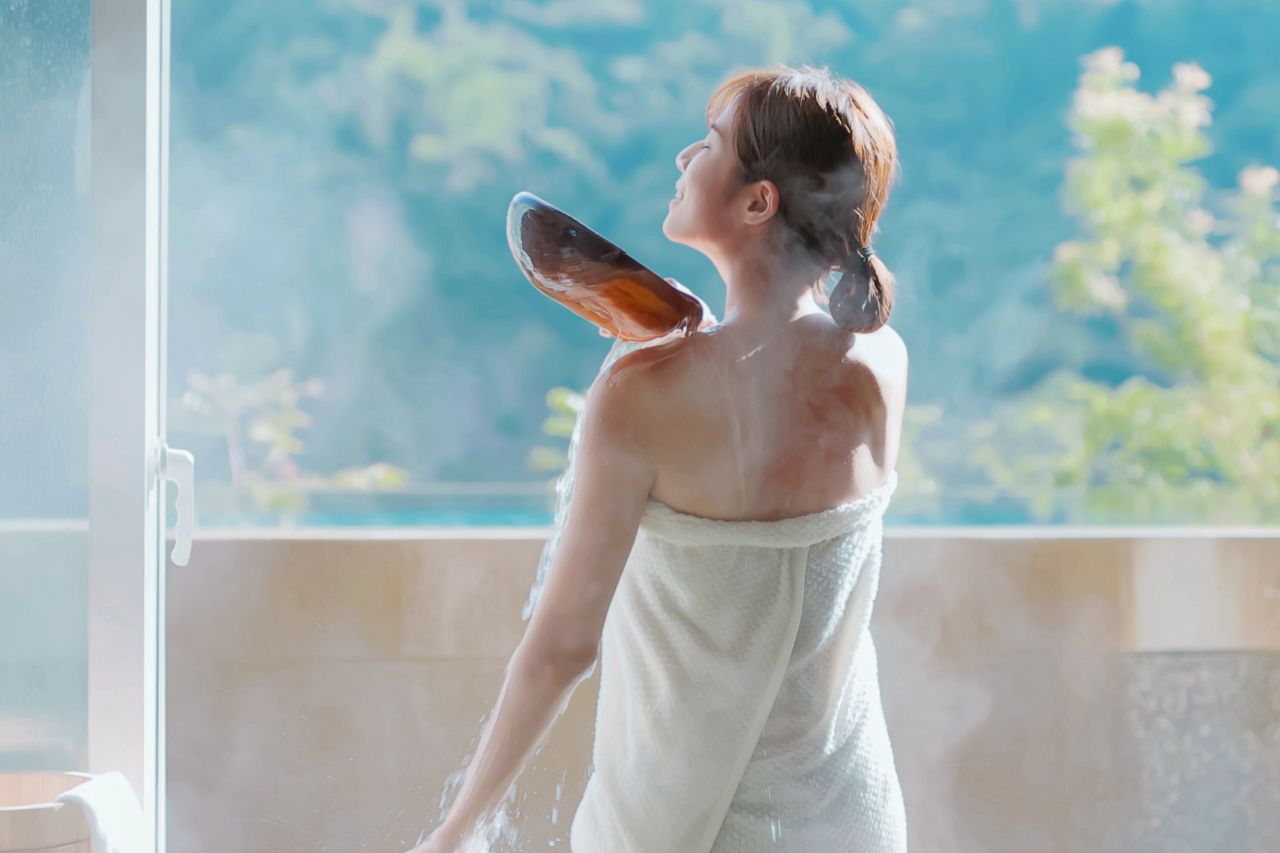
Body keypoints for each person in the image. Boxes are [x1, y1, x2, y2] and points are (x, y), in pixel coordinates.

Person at [412, 63, 909, 853]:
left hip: (684, 832)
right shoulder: (881, 361)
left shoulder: (647, 392)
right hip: (850, 822)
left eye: (710, 142)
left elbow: (562, 649)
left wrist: (454, 829)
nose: (684, 156)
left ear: (758, 201)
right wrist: (696, 332)